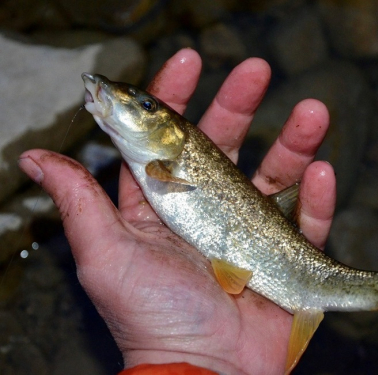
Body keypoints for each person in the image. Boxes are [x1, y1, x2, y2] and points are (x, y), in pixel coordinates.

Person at [19, 49, 336, 375]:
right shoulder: (154, 163)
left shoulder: (159, 166)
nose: (143, 106)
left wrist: (175, 355)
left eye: (147, 106)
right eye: (148, 105)